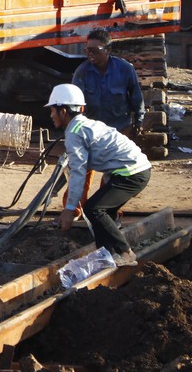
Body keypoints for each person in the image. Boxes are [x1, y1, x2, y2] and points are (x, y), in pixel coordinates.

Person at [46, 83, 149, 267]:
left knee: (94, 208)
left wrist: (70, 209)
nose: (51, 115)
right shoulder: (85, 125)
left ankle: (125, 253)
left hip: (131, 173)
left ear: (63, 111)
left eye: (52, 110)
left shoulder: (74, 133)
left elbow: (79, 172)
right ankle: (106, 254)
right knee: (103, 212)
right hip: (134, 169)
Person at [64, 29, 145, 216]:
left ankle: (107, 210)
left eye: (95, 50)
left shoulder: (125, 70)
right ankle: (74, 210)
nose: (90, 54)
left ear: (108, 49)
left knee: (114, 175)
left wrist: (138, 122)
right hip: (91, 134)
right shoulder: (82, 72)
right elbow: (74, 104)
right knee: (81, 170)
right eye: (87, 50)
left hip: (118, 131)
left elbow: (136, 98)